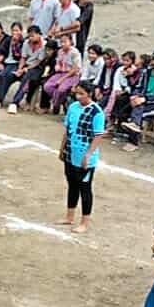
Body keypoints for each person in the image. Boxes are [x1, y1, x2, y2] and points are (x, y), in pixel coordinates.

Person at [60, 83, 105, 234]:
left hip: (85, 155)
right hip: (70, 151)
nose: (78, 97)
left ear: (89, 94)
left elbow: (98, 135)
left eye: (81, 94)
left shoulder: (97, 112)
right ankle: (69, 216)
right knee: (72, 184)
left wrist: (89, 155)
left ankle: (84, 222)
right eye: (77, 93)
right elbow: (68, 129)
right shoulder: (73, 107)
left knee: (85, 189)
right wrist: (62, 148)